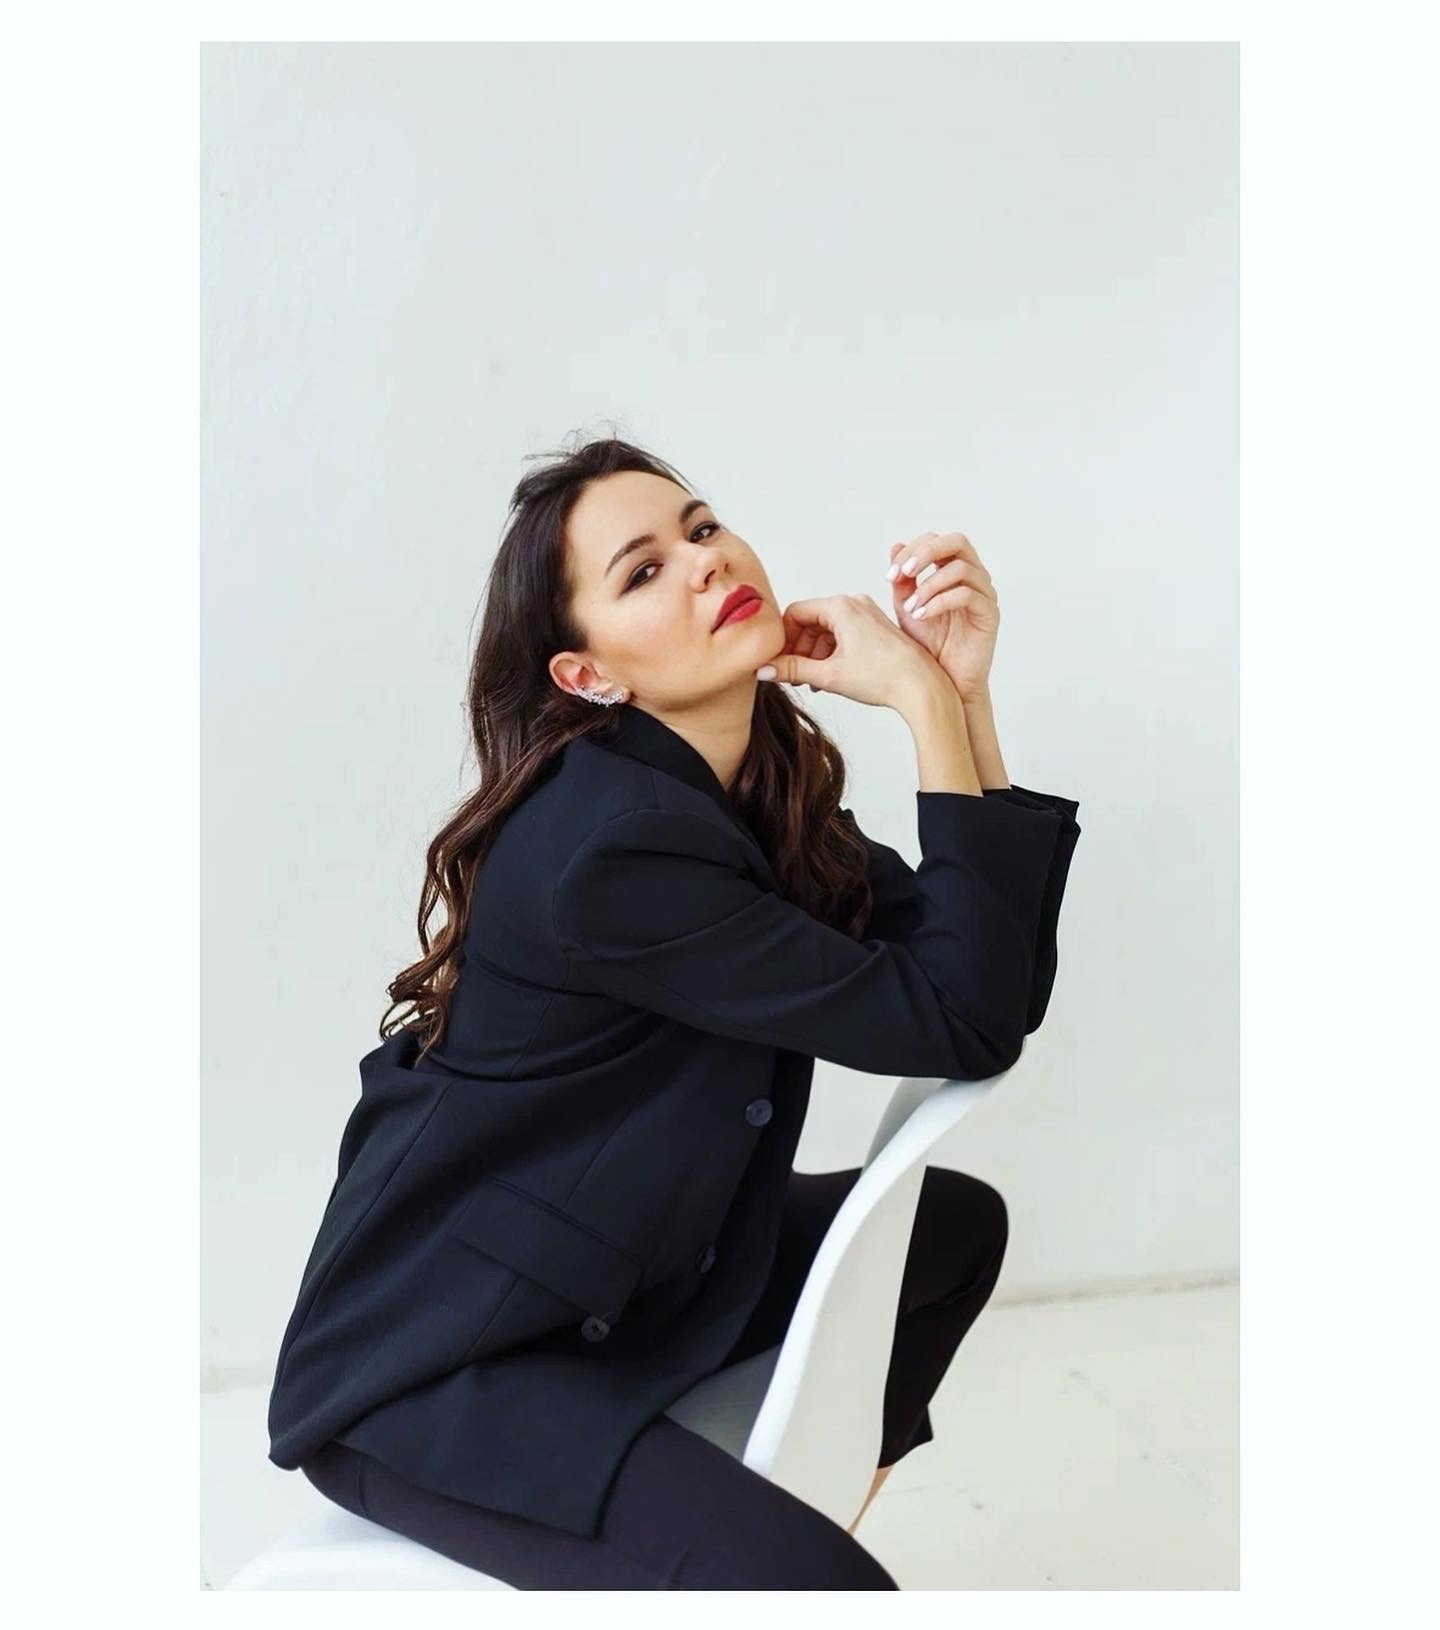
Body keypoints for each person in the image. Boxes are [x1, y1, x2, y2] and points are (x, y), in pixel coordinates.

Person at [269, 432, 1082, 1590]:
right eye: (643, 570)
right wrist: (914, 696)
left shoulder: (751, 784)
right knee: (824, 1593)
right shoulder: (615, 851)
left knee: (948, 1233)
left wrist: (958, 698)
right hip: (449, 1363)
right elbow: (959, 1016)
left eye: (700, 528)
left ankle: (766, 1533)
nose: (704, 561)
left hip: (633, 1279)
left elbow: (984, 990)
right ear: (589, 675)